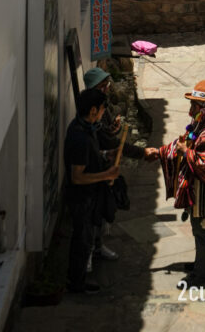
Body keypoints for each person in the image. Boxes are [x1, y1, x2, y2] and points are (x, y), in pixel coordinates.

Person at [146, 79, 205, 288]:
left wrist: (186, 152)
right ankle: (200, 265)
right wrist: (160, 152)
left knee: (203, 230)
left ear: (202, 108)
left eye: (193, 106)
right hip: (198, 192)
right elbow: (185, 142)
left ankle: (203, 276)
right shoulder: (200, 125)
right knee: (199, 230)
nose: (190, 111)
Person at [83, 66, 154, 263]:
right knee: (93, 216)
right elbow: (107, 141)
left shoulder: (101, 107)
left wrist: (112, 130)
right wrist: (142, 153)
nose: (107, 88)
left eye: (107, 85)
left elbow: (106, 134)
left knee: (103, 212)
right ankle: (87, 258)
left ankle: (97, 247)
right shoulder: (89, 112)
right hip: (95, 172)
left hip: (105, 166)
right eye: (102, 86)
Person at [63, 87, 119, 294]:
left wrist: (106, 154)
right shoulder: (80, 137)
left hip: (89, 196)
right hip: (81, 199)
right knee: (81, 241)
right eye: (103, 109)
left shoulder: (86, 128)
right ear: (94, 110)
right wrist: (107, 175)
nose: (104, 113)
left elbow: (91, 155)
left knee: (85, 239)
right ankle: (76, 284)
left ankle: (77, 280)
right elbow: (77, 176)